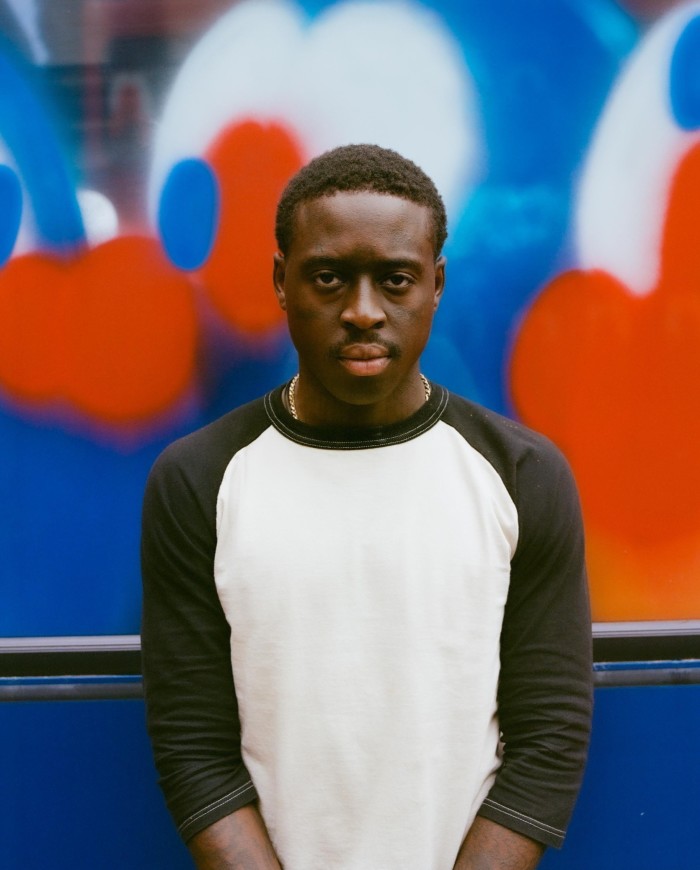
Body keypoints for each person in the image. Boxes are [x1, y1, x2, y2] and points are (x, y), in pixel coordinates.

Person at [141, 143, 593, 870]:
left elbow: (548, 743)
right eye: (327, 277)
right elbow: (195, 749)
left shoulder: (521, 476)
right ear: (280, 281)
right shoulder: (199, 481)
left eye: (395, 280)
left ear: (436, 284)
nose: (361, 311)